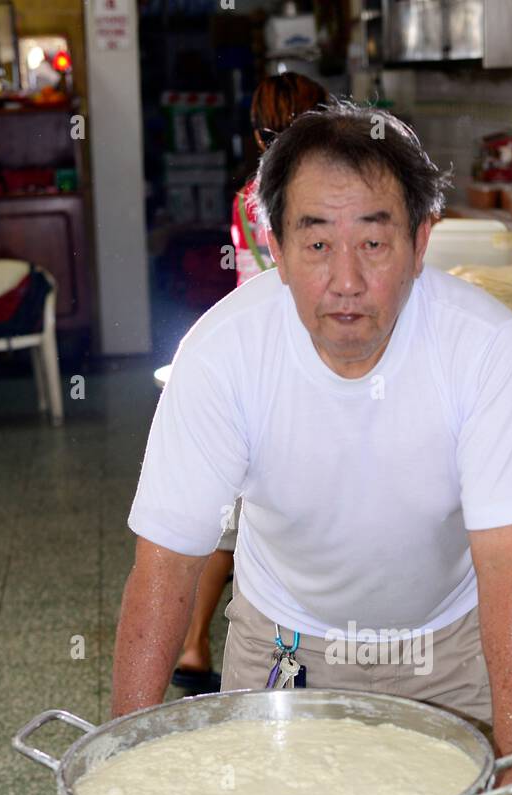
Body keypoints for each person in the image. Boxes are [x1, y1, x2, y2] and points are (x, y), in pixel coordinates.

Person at [115, 101, 512, 795]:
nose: (346, 280)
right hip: (285, 649)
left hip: (451, 654)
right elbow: (165, 564)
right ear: (275, 246)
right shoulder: (223, 353)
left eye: (373, 239)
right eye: (318, 242)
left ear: (420, 240)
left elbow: (510, 566)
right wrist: (120, 772)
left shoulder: (484, 349)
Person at [172, 72, 329, 694]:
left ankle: (191, 645)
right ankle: (301, 644)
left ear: (255, 133)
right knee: (279, 513)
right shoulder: (316, 198)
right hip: (297, 366)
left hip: (249, 365)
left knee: (232, 519)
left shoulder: (248, 194)